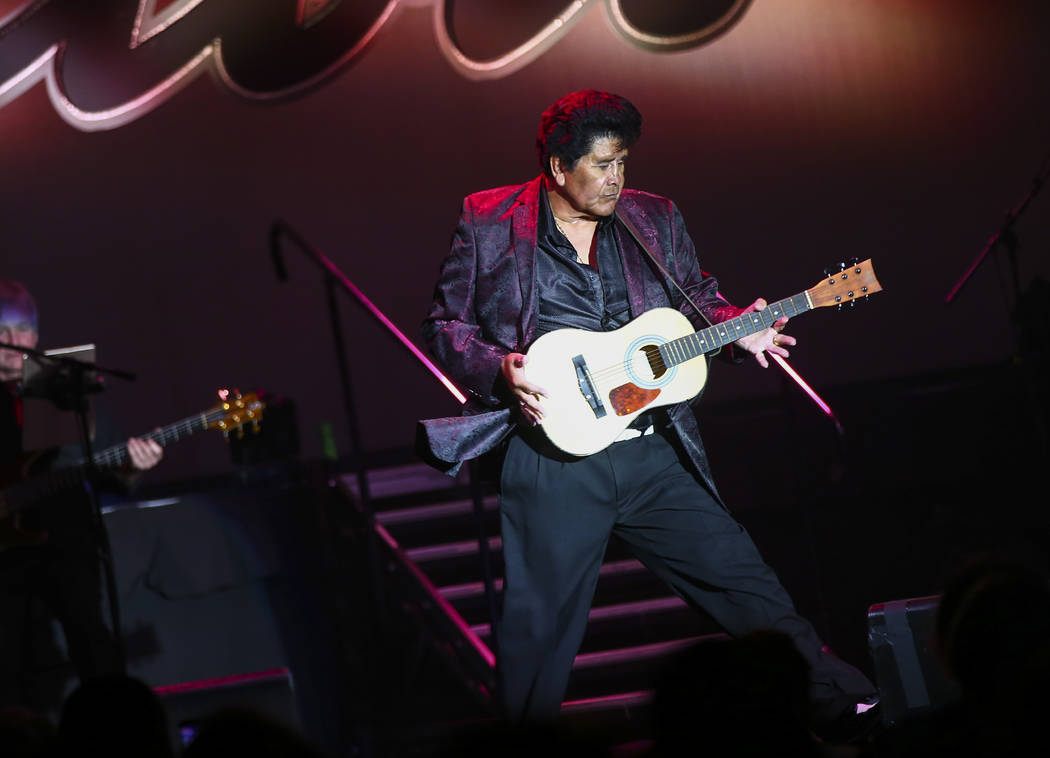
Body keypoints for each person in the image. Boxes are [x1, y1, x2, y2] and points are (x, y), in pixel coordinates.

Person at [419, 91, 879, 738]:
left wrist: (739, 330)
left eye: (623, 163)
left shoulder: (652, 217)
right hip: (553, 459)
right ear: (557, 167)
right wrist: (499, 368)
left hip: (650, 450)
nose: (616, 179)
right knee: (538, 630)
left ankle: (848, 706)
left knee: (744, 584)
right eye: (602, 165)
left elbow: (699, 303)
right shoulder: (489, 220)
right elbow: (445, 327)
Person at [0, 279, 163, 712]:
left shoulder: (62, 385)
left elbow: (105, 466)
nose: (12, 342)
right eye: (0, 332)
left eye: (21, 330)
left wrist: (131, 465)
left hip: (67, 543)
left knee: (93, 643)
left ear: (36, 336)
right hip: (6, 558)